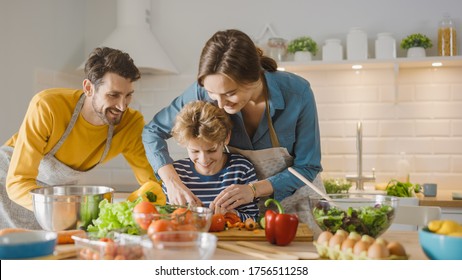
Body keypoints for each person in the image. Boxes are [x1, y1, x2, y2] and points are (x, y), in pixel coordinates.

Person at [142, 29, 324, 228]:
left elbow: (308, 166)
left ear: (254, 78)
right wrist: (171, 181)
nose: (219, 104)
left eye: (230, 93)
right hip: (241, 217)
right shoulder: (201, 92)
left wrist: (253, 190)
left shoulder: (297, 93)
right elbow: (152, 132)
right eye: (212, 94)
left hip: (293, 208)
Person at [0, 47, 165, 230]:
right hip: (8, 183)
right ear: (88, 88)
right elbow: (17, 182)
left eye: (128, 96)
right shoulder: (48, 107)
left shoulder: (130, 124)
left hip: (58, 199)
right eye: (113, 95)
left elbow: (152, 185)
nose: (122, 106)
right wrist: (63, 209)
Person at [168, 100, 259, 221]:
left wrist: (231, 214)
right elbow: (167, 217)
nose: (204, 160)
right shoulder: (176, 174)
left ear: (226, 138)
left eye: (211, 150)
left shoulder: (241, 169)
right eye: (194, 151)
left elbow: (254, 218)